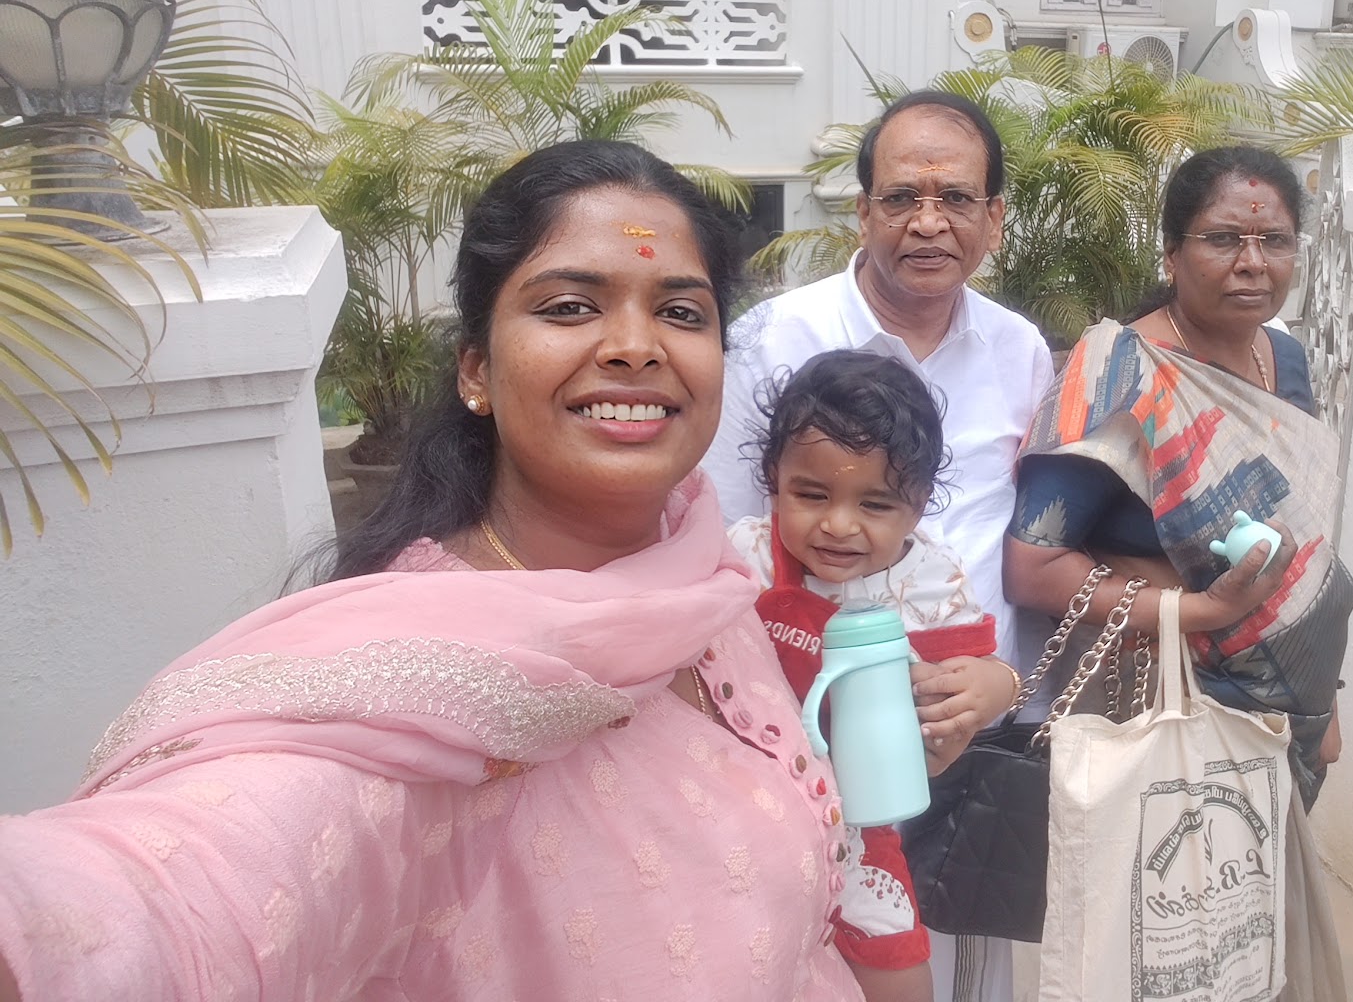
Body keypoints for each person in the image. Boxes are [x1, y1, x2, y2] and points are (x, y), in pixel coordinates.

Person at [0, 141, 862, 1002]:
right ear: (476, 371)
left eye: (680, 312)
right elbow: (173, 893)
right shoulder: (412, 692)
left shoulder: (703, 567)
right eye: (568, 307)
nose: (637, 347)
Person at [703, 91, 1054, 1002]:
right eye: (901, 198)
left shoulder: (1020, 352)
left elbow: (1023, 545)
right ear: (861, 212)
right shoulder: (772, 340)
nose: (928, 222)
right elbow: (726, 545)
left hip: (960, 735)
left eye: (957, 198)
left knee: (959, 963)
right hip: (797, 747)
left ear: (995, 218)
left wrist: (1004, 684)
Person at [1003, 144, 1353, 996]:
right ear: (1171, 254)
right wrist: (1200, 611)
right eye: (1222, 239)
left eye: (1273, 240)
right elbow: (1033, 567)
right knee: (1159, 927)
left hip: (1286, 699)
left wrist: (1326, 698)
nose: (1252, 262)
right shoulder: (1120, 375)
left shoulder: (1286, 361)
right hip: (1163, 694)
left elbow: (1300, 541)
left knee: (1243, 917)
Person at [728, 350, 1020, 1002]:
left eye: (876, 503)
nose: (838, 524)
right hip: (741, 810)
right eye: (811, 495)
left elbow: (974, 673)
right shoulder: (745, 557)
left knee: (894, 962)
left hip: (857, 822)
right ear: (773, 479)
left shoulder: (926, 582)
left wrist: (989, 690)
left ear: (918, 507)